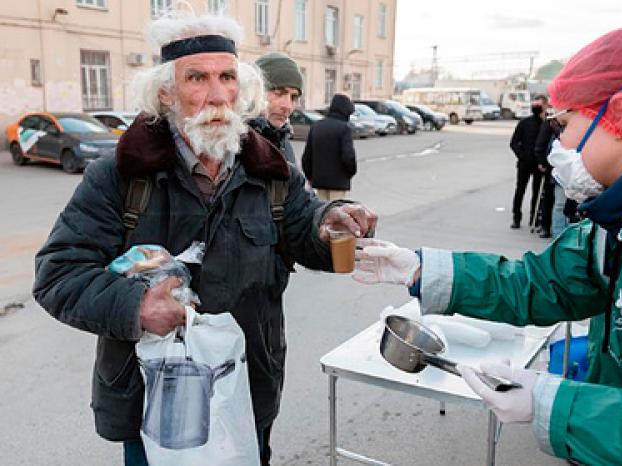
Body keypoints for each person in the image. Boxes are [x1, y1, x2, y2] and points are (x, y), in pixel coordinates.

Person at [32, 11, 377, 466]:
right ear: (165, 93)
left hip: (247, 388)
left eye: (227, 78)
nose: (217, 96)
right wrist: (135, 308)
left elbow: (304, 226)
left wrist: (330, 220)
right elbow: (58, 274)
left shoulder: (271, 172)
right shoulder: (119, 177)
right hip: (154, 400)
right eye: (197, 78)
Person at [353, 27, 622, 464]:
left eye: (566, 123)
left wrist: (552, 406)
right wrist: (420, 269)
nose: (559, 144)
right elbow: (541, 283)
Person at [249, 51, 303, 166]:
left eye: (293, 97)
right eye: (279, 93)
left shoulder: (283, 140)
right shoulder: (233, 143)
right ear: (255, 92)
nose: (287, 106)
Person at [301, 93, 357, 201]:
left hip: (319, 182)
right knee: (336, 213)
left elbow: (307, 156)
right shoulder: (344, 128)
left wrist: (310, 176)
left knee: (322, 213)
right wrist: (350, 173)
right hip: (338, 183)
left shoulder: (316, 126)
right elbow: (348, 157)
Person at [508, 94, 548, 229]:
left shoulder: (548, 122)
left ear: (545, 106)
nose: (535, 107)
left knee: (537, 192)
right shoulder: (524, 123)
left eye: (538, 105)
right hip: (524, 164)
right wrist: (522, 156)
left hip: (540, 165)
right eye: (534, 105)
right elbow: (514, 143)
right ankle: (516, 217)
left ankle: (535, 217)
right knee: (520, 191)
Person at [533, 113, 555, 238]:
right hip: (550, 166)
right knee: (548, 197)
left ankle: (547, 225)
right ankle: (545, 226)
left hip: (557, 166)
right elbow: (540, 145)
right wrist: (542, 162)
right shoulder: (549, 124)